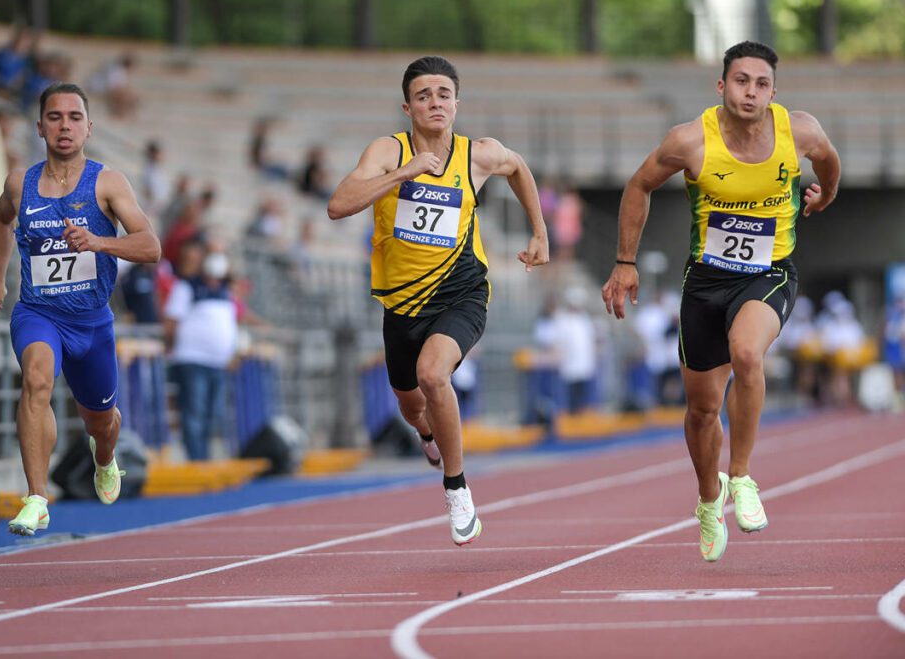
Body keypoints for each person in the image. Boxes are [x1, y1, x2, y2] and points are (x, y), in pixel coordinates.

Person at [601, 41, 841, 563]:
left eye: (760, 83)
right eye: (740, 81)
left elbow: (828, 160)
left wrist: (827, 194)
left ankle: (743, 477)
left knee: (749, 353)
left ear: (773, 92)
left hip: (769, 272)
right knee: (701, 410)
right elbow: (639, 185)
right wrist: (625, 260)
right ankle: (710, 501)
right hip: (706, 283)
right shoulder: (689, 140)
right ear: (722, 86)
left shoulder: (798, 130)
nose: (750, 91)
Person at [328, 56, 549, 546]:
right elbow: (338, 205)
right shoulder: (388, 150)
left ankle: (457, 487)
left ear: (456, 103)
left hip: (461, 292)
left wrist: (539, 232)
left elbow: (519, 168)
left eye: (443, 94)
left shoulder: (478, 154)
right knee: (411, 406)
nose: (435, 102)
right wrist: (402, 174)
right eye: (424, 95)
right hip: (401, 303)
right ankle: (427, 436)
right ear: (407, 106)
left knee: (434, 375)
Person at [0, 82, 162, 536]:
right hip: (39, 312)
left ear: (88, 127)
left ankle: (104, 459)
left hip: (92, 321)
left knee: (102, 422)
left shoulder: (107, 182)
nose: (65, 126)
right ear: (40, 126)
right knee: (37, 379)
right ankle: (37, 498)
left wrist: (99, 241)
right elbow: (0, 219)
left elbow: (151, 246)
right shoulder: (19, 183)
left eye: (75, 117)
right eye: (56, 117)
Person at [163, 246, 240, 461]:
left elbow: (230, 324)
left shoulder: (225, 291)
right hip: (192, 359)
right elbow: (171, 322)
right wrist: (176, 348)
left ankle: (203, 457)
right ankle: (196, 458)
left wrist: (231, 351)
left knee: (211, 415)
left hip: (218, 362)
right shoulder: (187, 287)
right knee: (194, 412)